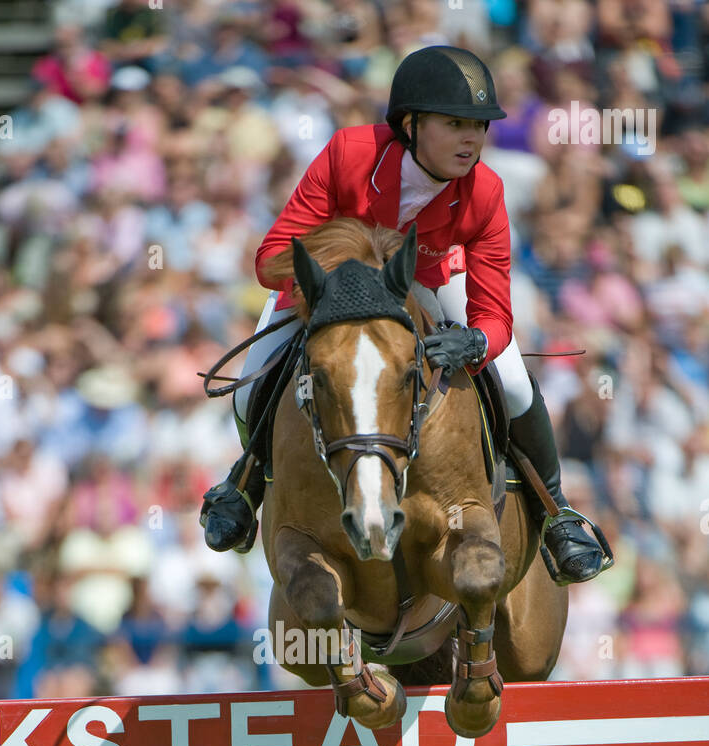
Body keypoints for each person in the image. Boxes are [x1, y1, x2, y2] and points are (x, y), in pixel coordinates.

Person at [200, 46, 608, 584]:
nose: (472, 140)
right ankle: (245, 485)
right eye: (456, 124)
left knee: (511, 381)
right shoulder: (350, 154)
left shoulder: (485, 191)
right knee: (252, 382)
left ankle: (557, 512)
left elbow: (496, 311)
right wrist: (342, 274)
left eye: (479, 127)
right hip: (332, 285)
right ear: (411, 125)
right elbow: (271, 258)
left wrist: (477, 344)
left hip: (431, 282)